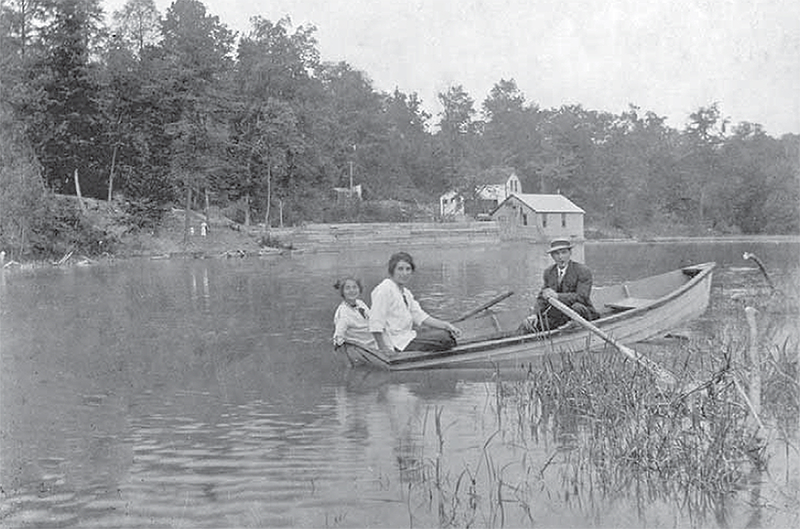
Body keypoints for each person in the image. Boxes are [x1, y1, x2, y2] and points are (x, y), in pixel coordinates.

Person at [369, 252, 462, 353]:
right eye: (400, 269)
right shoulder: (384, 289)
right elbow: (375, 323)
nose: (404, 273)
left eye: (408, 269)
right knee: (445, 338)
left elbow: (421, 317)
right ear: (392, 271)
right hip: (395, 343)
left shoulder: (405, 293)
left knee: (446, 333)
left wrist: (447, 325)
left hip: (407, 337)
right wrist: (384, 349)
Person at [519, 239, 598, 333]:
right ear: (552, 256)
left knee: (577, 307)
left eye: (564, 252)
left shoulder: (583, 271)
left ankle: (573, 327)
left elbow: (582, 297)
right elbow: (542, 297)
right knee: (529, 324)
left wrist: (557, 296)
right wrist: (535, 314)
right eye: (557, 254)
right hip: (560, 315)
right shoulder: (549, 272)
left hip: (581, 313)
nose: (561, 257)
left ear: (570, 253)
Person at [332, 277, 377, 349]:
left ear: (359, 289)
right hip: (362, 349)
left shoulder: (360, 303)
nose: (352, 291)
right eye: (347, 288)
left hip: (373, 342)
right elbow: (338, 337)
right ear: (342, 292)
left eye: (354, 287)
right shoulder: (344, 314)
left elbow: (371, 319)